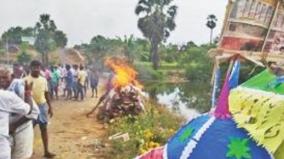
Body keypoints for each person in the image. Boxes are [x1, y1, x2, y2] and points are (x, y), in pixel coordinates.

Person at [25, 60, 56, 158]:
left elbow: (46, 94)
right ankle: (28, 152)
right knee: (28, 130)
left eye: (38, 67)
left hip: (42, 107)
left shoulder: (43, 80)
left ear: (40, 68)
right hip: (30, 107)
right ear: (30, 68)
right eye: (34, 67)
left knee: (44, 128)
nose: (36, 69)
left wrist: (50, 107)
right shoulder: (25, 80)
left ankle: (46, 151)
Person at [0, 67, 32, 159]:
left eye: (5, 77)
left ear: (12, 77)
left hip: (19, 130)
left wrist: (13, 126)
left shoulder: (17, 87)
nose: (2, 80)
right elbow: (28, 109)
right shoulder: (6, 94)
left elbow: (33, 112)